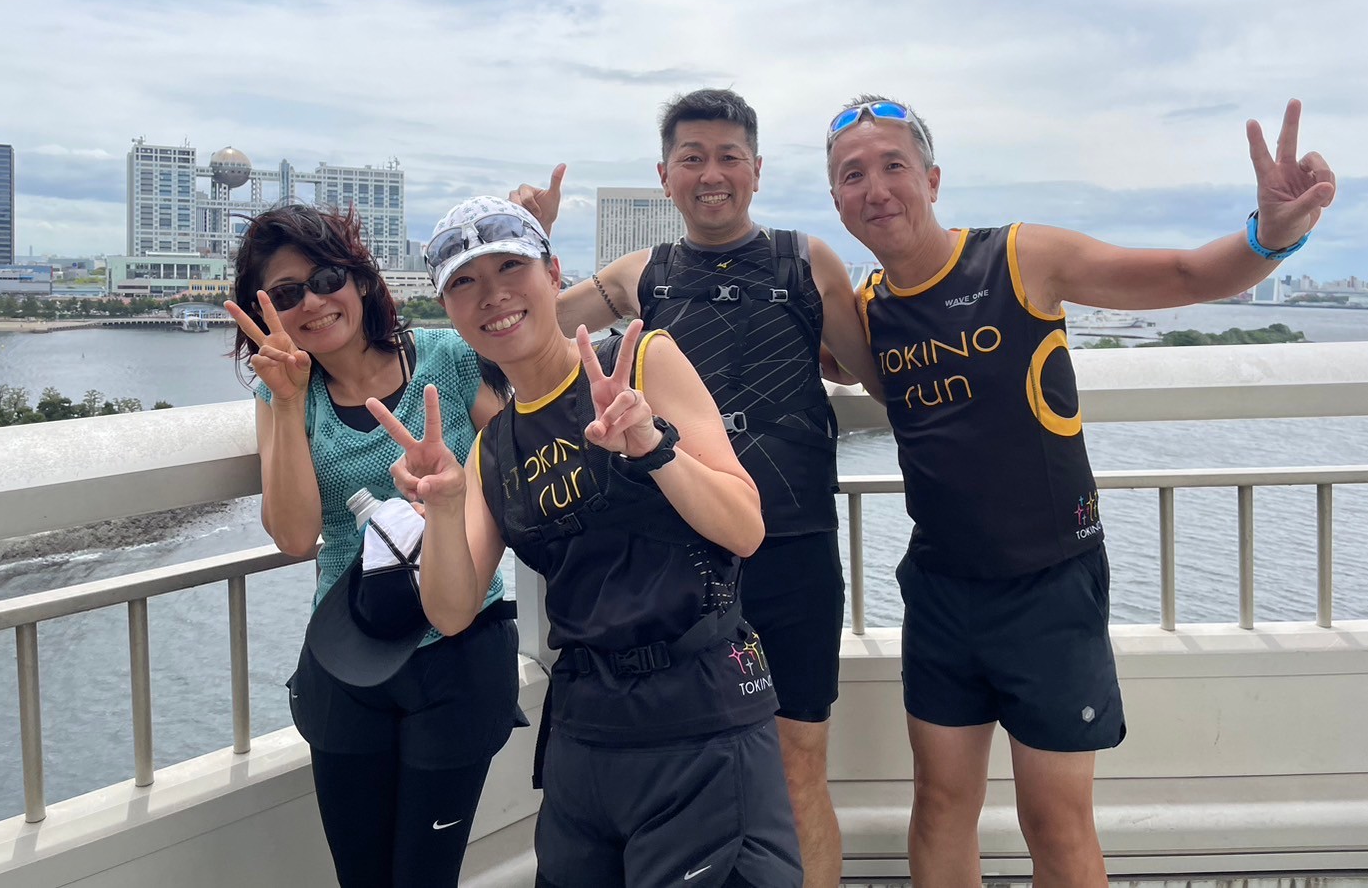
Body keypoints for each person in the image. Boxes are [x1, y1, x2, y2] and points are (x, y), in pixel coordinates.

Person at [823, 96, 1336, 887]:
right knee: (940, 804)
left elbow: (1186, 275)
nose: (875, 189)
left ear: (931, 178)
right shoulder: (869, 311)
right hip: (939, 587)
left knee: (1054, 822)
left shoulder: (1019, 257)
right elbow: (794, 344)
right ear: (835, 198)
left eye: (893, 165)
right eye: (852, 175)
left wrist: (1271, 235)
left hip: (1048, 585)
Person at [368, 196, 803, 888]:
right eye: (464, 282)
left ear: (552, 274)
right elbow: (449, 612)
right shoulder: (493, 448)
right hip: (585, 731)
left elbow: (745, 527)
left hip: (699, 714)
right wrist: (445, 510)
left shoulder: (641, 363)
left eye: (510, 267)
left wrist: (652, 447)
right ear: (447, 309)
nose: (492, 295)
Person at [511, 88, 884, 887]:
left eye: (728, 157)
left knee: (797, 761)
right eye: (691, 158)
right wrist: (529, 240)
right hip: (680, 563)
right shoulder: (638, 275)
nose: (711, 175)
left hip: (791, 545)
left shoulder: (806, 261)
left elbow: (873, 374)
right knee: (692, 767)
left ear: (756, 170)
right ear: (664, 175)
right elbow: (526, 332)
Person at [225, 203, 522, 888]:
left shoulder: (447, 360)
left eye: (326, 279)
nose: (312, 303)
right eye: (287, 294)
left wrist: (452, 500)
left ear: (359, 280)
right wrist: (289, 400)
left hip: (460, 647)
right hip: (347, 651)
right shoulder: (282, 397)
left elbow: (520, 462)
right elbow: (294, 535)